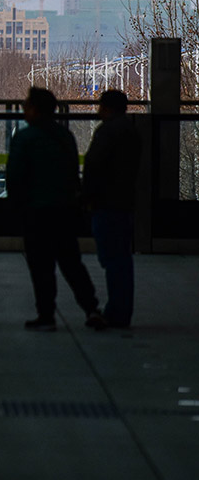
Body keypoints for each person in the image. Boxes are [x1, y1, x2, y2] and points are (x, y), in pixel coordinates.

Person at [7, 87, 105, 332]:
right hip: (64, 210)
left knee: (41, 266)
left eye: (27, 105)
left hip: (36, 212)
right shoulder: (65, 136)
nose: (23, 108)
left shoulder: (24, 138)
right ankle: (91, 308)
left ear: (35, 110)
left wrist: (16, 207)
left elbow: (15, 177)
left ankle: (46, 315)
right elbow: (72, 172)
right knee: (71, 262)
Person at [83, 90, 142, 328]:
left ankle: (116, 312)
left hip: (106, 203)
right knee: (121, 259)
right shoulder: (131, 131)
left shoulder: (107, 132)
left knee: (112, 259)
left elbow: (93, 165)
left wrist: (86, 196)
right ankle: (121, 311)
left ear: (106, 108)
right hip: (124, 202)